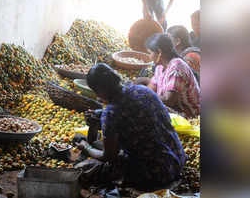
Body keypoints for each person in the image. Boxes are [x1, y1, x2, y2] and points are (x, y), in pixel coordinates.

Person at [75, 63, 186, 197]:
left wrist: (86, 147)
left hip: (157, 173)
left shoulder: (111, 113)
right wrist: (99, 119)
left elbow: (108, 156)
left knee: (83, 169)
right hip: (177, 159)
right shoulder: (143, 90)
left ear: (99, 91)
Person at [136, 33, 200, 118]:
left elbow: (168, 100)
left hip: (190, 115)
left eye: (150, 53)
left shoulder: (177, 66)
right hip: (175, 111)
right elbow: (151, 88)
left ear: (159, 52)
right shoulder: (160, 67)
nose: (149, 57)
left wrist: (142, 94)